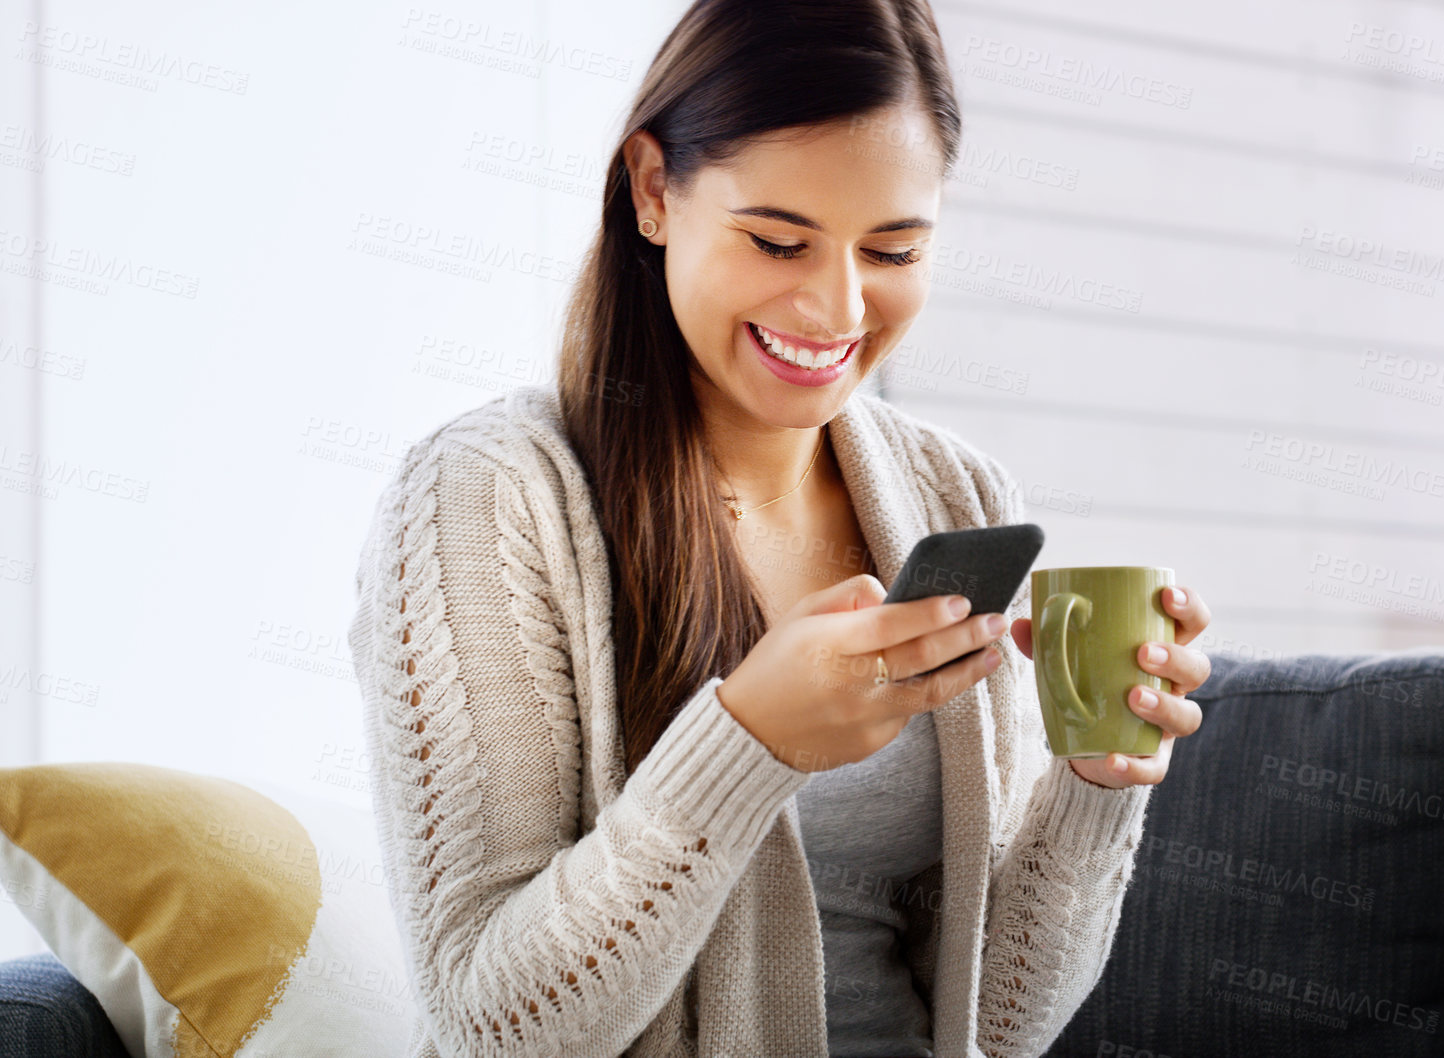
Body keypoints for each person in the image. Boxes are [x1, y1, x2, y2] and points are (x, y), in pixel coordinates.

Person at [345, 1, 1212, 1055]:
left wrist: (1092, 786)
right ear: (654, 190)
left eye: (892, 249)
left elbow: (997, 1019)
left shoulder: (957, 492)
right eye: (777, 239)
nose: (838, 309)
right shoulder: (489, 496)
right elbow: (491, 1021)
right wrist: (749, 739)